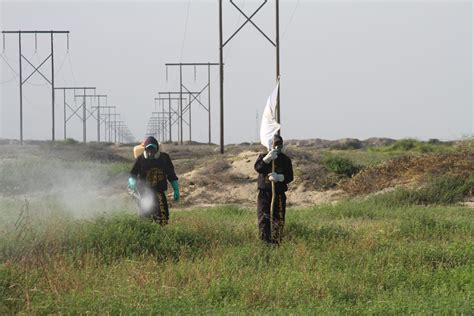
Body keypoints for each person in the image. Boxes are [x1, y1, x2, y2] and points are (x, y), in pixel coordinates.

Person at [127, 136, 180, 225]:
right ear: (145, 149)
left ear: (157, 149)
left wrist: (176, 189)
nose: (151, 151)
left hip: (159, 191)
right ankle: (147, 235)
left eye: (153, 148)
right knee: (145, 219)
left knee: (163, 218)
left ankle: (162, 235)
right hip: (144, 193)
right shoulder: (140, 159)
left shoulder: (164, 158)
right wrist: (132, 182)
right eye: (148, 149)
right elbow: (133, 174)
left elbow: (171, 175)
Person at [254, 134, 293, 244]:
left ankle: (277, 241)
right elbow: (258, 168)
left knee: (278, 218)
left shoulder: (285, 159)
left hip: (279, 193)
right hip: (264, 193)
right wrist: (267, 159)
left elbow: (290, 176)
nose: (277, 148)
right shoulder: (264, 156)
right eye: (275, 145)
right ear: (270, 145)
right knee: (263, 218)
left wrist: (281, 178)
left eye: (279, 145)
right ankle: (265, 242)